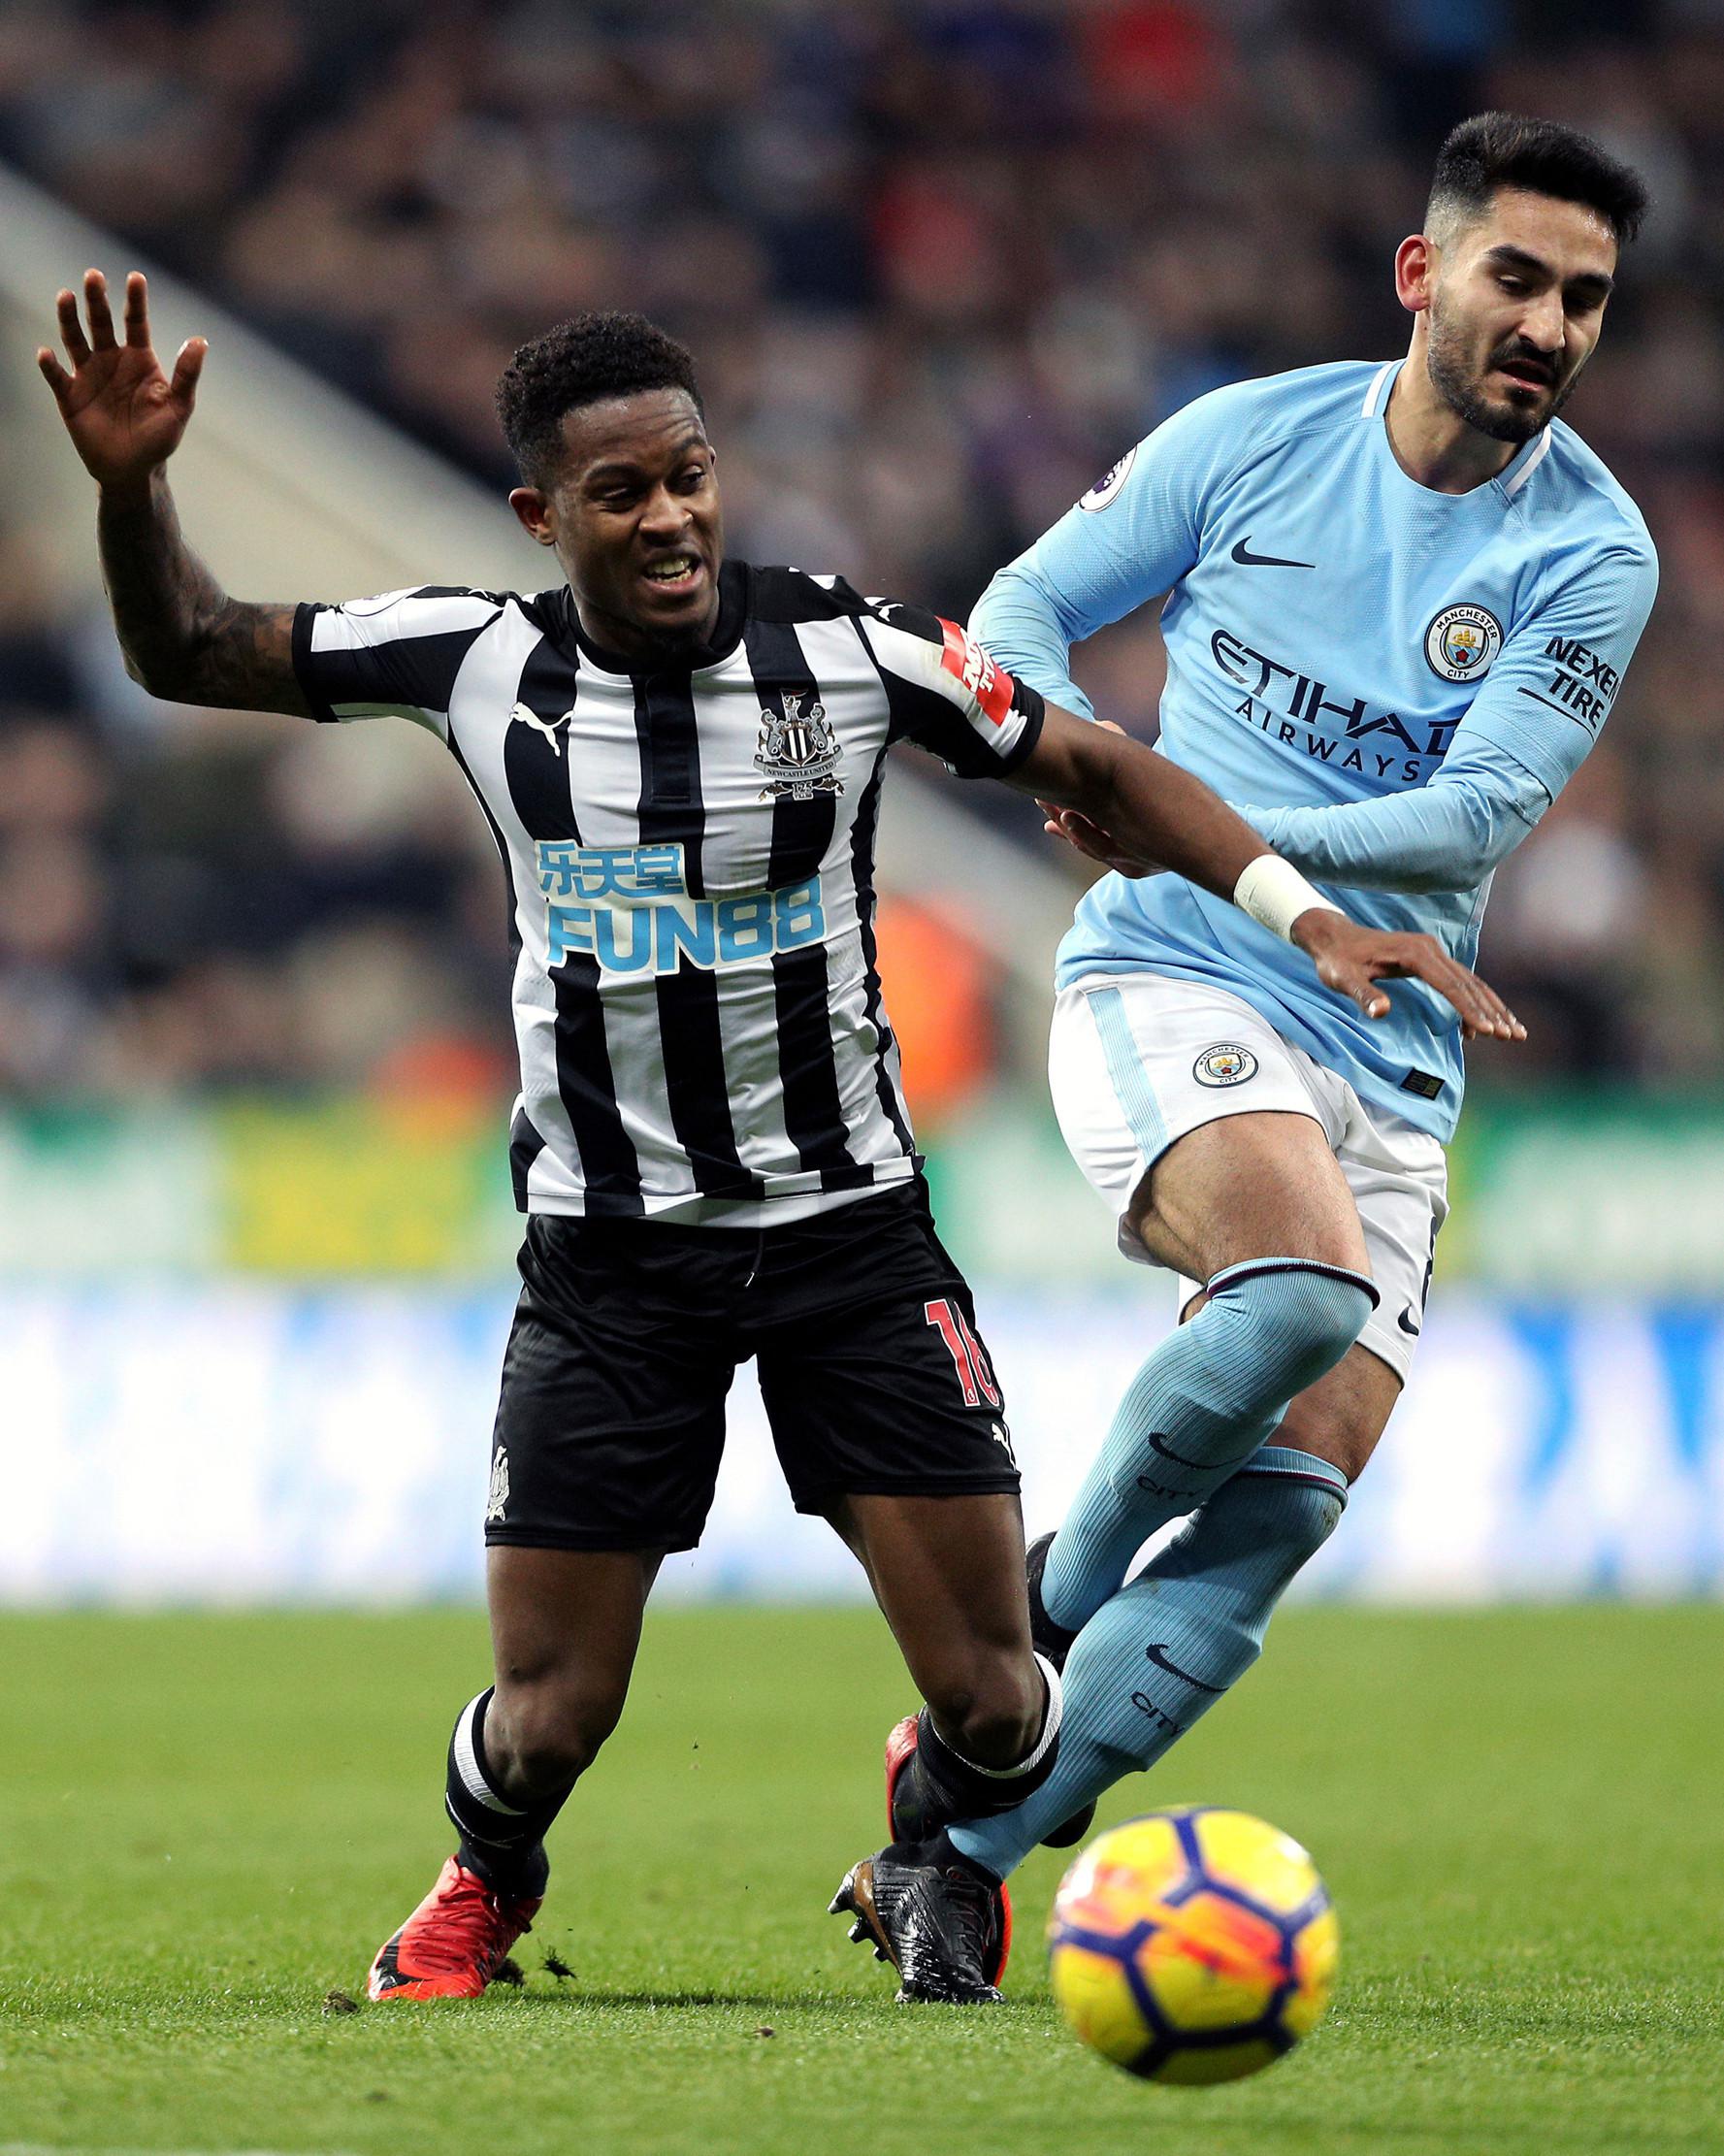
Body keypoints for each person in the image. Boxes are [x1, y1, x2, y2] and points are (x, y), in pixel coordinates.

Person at [40, 276, 1517, 2006]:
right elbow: (183, 648)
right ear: (543, 515)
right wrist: (135, 486)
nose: (668, 515)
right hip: (610, 1260)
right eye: (621, 492)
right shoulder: (471, 660)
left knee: (994, 1701)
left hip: (849, 1240)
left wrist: (1298, 914)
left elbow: (1099, 768)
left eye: (689, 474)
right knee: (550, 1715)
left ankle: (925, 1826)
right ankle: (482, 1883)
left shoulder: (849, 651)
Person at [838, 111, 1652, 1998]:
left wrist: (1179, 798)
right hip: (1175, 975)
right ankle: (1030, 1619)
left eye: (1584, 300)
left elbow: (1468, 820)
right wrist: (1070, 763)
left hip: (1393, 1043)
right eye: (1515, 276)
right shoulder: (1248, 441)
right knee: (1293, 1287)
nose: (1545, 323)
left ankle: (951, 1842)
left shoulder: (1590, 554)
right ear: (1422, 273)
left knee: (1274, 1525)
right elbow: (1022, 614)